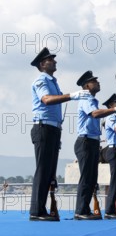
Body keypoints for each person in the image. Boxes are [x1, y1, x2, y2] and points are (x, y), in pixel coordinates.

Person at [29, 47, 92, 221]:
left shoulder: (53, 81)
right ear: (42, 64)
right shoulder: (41, 80)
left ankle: (42, 209)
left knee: (49, 171)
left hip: (53, 129)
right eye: (50, 59)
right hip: (43, 128)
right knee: (42, 170)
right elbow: (47, 100)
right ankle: (36, 211)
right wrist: (72, 95)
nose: (55, 61)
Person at [74, 71, 116, 220]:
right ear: (87, 85)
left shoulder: (93, 100)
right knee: (86, 177)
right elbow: (95, 114)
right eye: (94, 81)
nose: (98, 83)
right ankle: (80, 210)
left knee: (92, 177)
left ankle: (85, 209)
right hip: (85, 141)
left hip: (92, 141)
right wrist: (115, 109)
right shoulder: (86, 98)